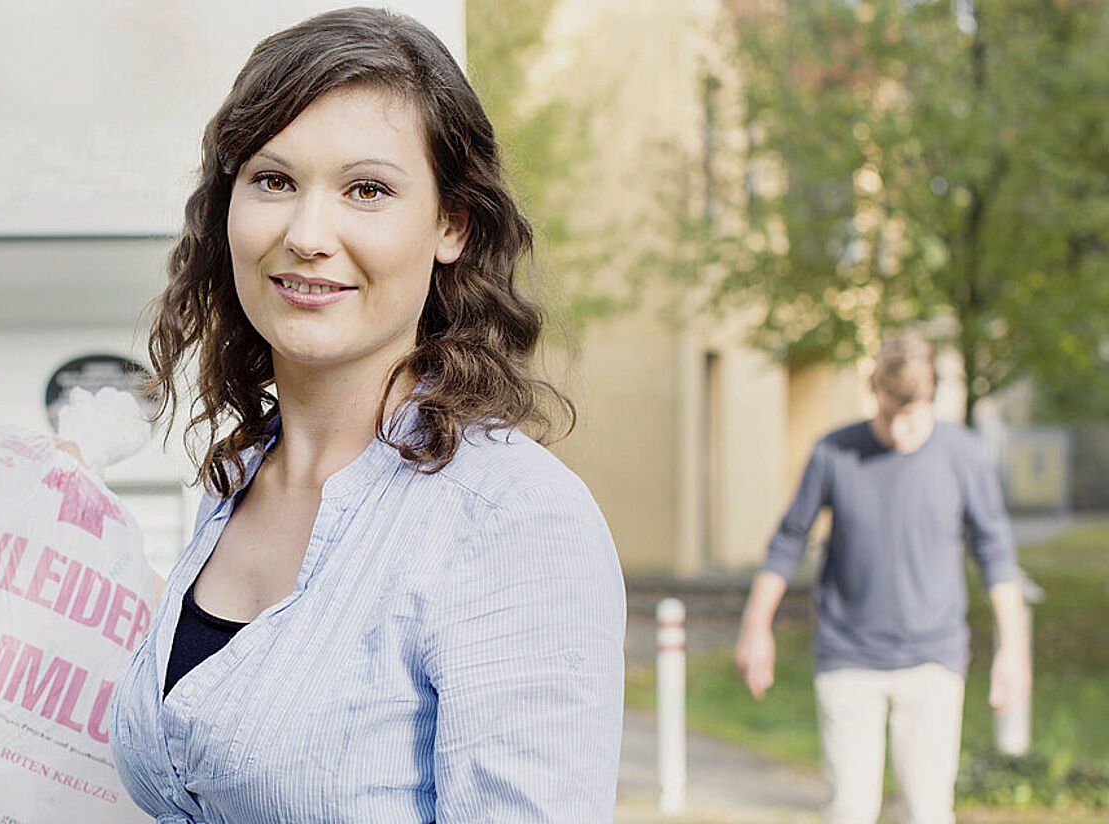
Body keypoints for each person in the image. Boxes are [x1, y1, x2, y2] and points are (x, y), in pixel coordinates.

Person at [107, 8, 626, 822]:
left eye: (368, 190)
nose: (309, 235)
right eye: (274, 180)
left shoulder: (513, 521)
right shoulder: (236, 481)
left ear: (451, 223)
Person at [734, 333, 1031, 824]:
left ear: (930, 399)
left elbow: (995, 553)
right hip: (849, 656)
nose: (897, 431)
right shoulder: (835, 452)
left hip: (933, 658)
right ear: (876, 396)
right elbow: (789, 539)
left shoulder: (962, 455)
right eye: (888, 414)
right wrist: (755, 626)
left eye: (910, 417)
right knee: (851, 808)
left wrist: (1013, 649)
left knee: (929, 809)